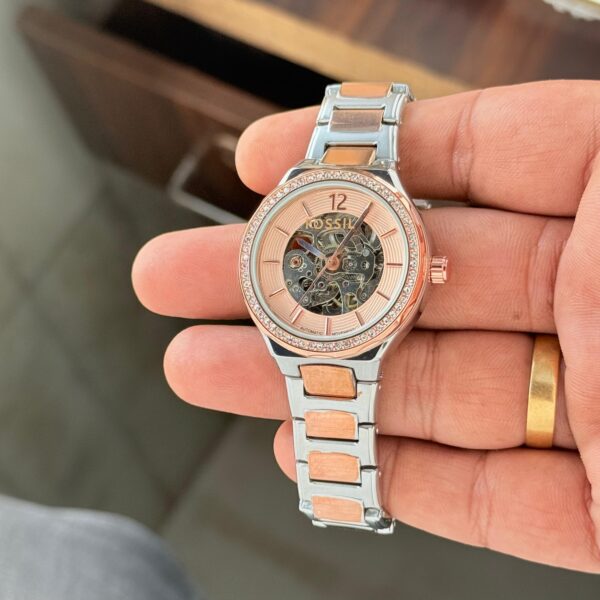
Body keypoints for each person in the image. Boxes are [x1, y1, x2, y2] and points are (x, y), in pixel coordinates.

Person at [132, 80, 600, 573]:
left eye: (334, 257)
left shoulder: (367, 243)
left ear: (429, 269)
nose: (332, 262)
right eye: (325, 258)